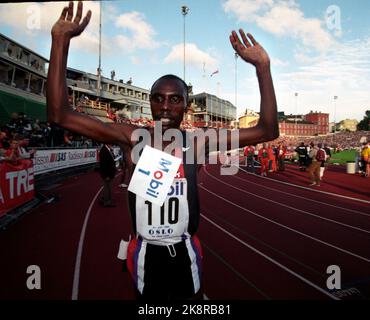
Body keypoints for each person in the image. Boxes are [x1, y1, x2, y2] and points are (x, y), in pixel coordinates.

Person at [47, 1, 278, 300]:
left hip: (185, 251)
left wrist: (263, 67)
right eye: (158, 99)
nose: (166, 106)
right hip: (145, 253)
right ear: (151, 103)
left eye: (174, 99)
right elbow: (59, 114)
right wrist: (60, 41)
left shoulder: (198, 142)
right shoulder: (132, 136)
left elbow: (267, 130)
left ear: (186, 105)